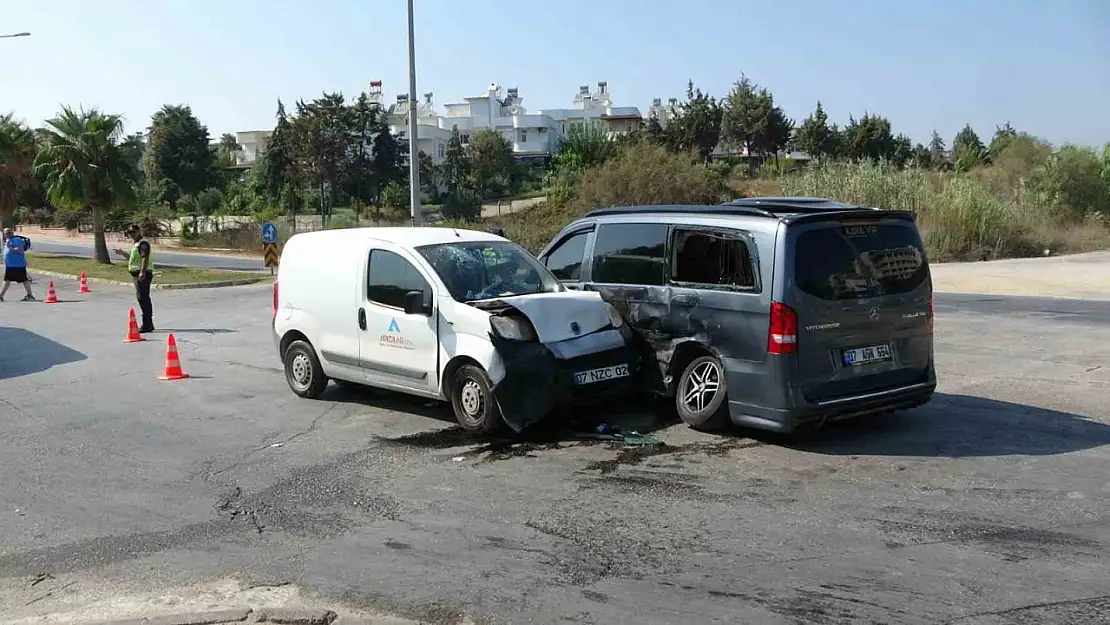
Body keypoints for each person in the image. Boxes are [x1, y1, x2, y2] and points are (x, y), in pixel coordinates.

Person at [114, 224, 154, 332]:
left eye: (134, 232)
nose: (132, 234)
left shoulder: (143, 243)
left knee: (143, 298)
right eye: (130, 233)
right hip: (137, 275)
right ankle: (148, 323)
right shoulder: (136, 244)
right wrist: (122, 253)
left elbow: (145, 258)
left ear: (138, 231)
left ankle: (147, 324)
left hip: (142, 274)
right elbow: (132, 259)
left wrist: (142, 272)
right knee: (142, 298)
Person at [1, 227, 35, 302]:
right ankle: (30, 295)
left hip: (16, 265)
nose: (7, 234)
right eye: (5, 233)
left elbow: (20, 251)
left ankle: (1, 296)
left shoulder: (16, 240)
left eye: (9, 232)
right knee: (24, 280)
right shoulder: (8, 240)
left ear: (12, 232)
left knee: (7, 280)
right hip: (12, 265)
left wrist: (9, 247)